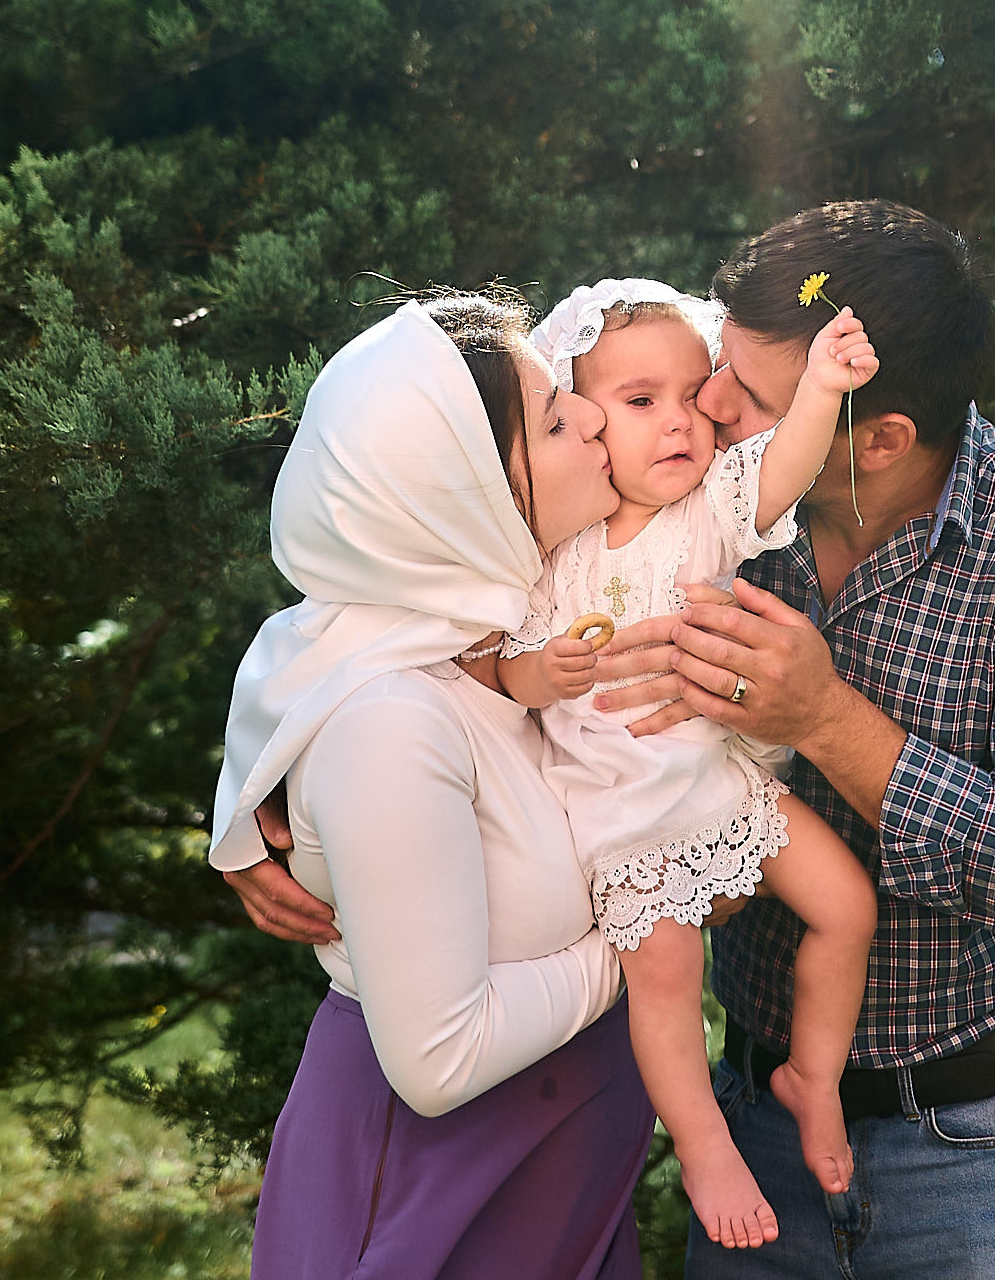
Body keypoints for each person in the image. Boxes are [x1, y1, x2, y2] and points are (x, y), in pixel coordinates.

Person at [593, 200, 995, 1277]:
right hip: (755, 1137)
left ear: (882, 437)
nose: (706, 403)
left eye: (749, 394)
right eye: (718, 358)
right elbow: (465, 578)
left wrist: (823, 718)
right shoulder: (689, 501)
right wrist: (282, 806)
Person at [207, 294, 668, 1280]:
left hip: (552, 1195)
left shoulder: (505, 646)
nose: (596, 414)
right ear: (466, 497)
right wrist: (655, 936)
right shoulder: (392, 720)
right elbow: (438, 1057)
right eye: (555, 421)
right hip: (432, 1209)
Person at [495, 280, 878, 1250]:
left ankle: (813, 1076)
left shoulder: (708, 508)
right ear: (583, 425)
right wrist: (543, 671)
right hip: (623, 818)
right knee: (664, 977)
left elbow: (783, 465)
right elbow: (505, 670)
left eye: (689, 395)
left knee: (846, 903)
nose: (678, 421)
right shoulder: (554, 552)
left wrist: (821, 388)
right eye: (639, 402)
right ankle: (705, 1145)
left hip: (726, 790)